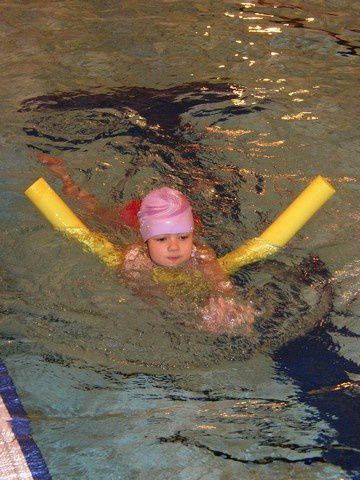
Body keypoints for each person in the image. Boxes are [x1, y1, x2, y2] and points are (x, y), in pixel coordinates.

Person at [37, 153, 255, 334]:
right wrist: (196, 318)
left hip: (170, 217)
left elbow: (223, 288)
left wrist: (230, 309)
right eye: (161, 240)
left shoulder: (203, 255)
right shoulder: (135, 260)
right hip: (128, 218)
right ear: (146, 241)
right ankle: (65, 177)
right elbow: (150, 302)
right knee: (94, 213)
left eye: (183, 237)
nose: (174, 246)